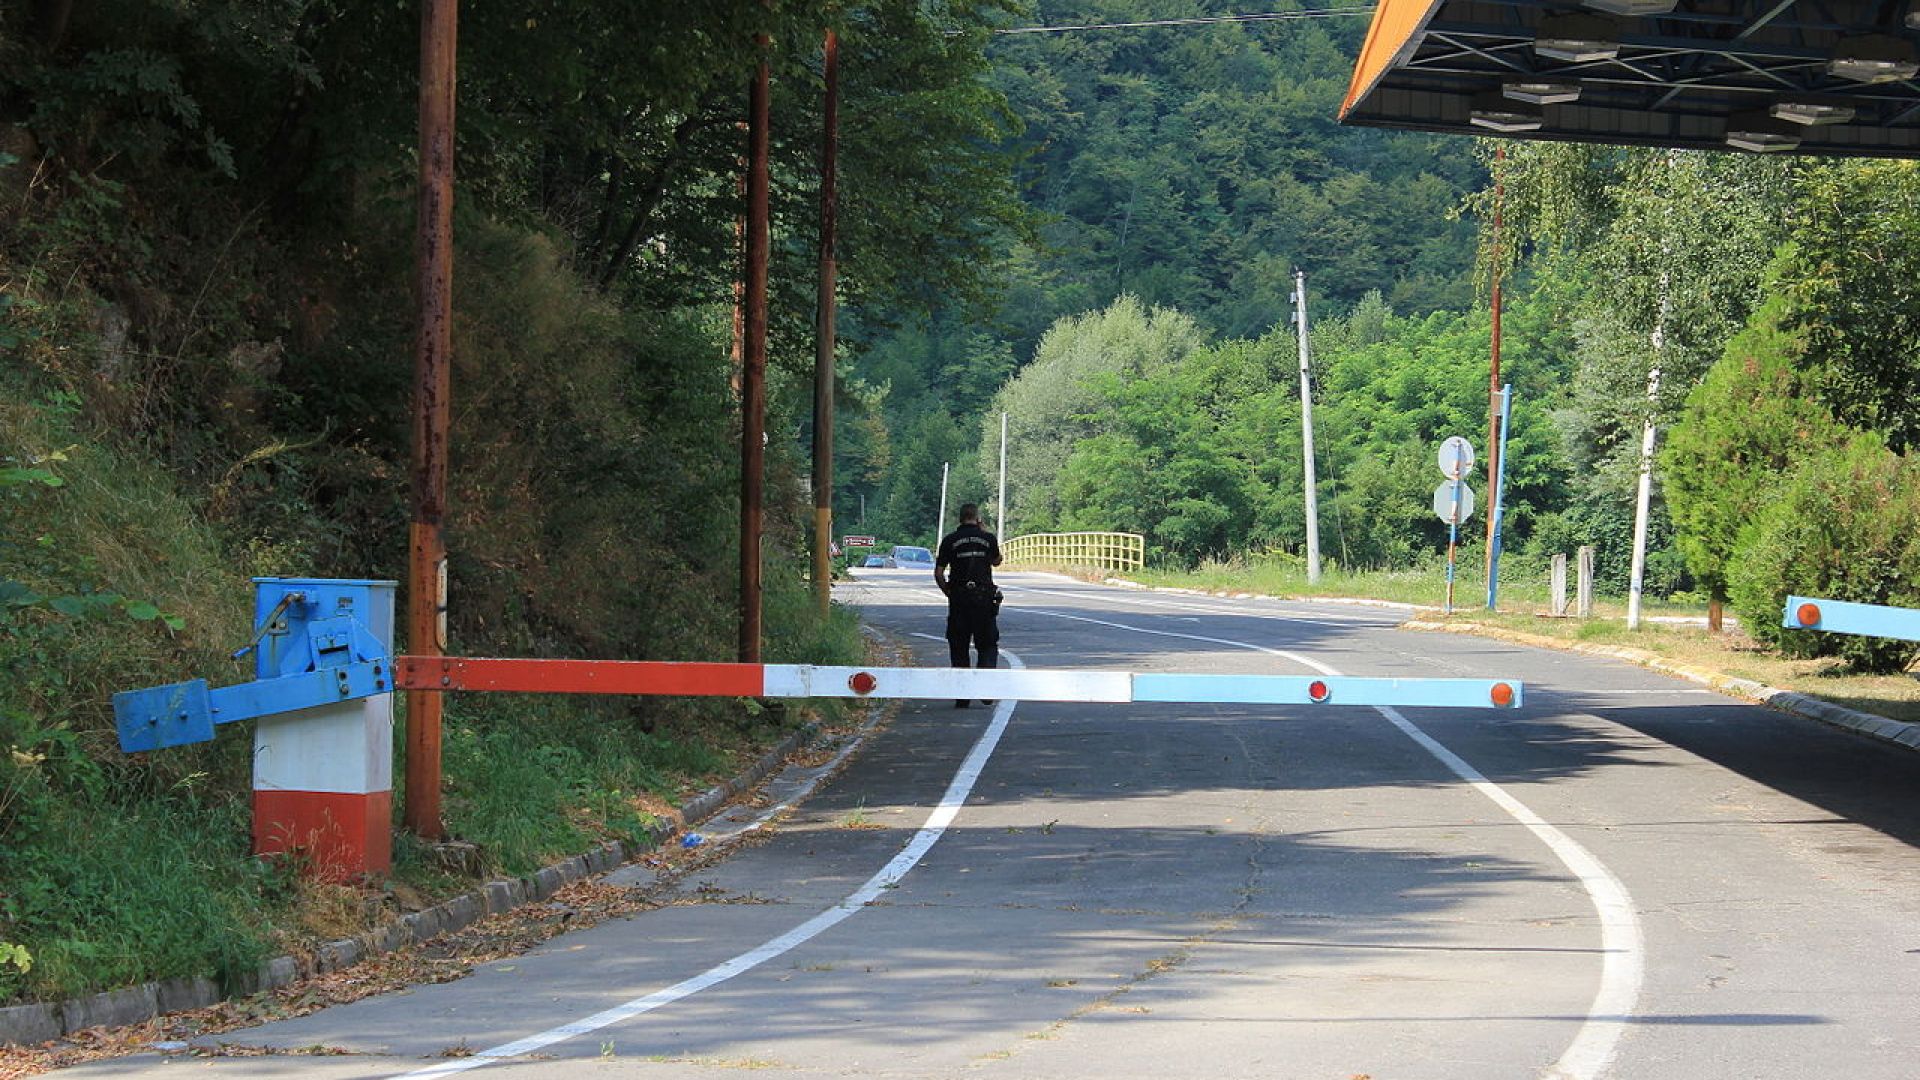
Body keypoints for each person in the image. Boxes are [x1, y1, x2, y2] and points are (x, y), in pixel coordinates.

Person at [934, 503, 1002, 708]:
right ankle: (985, 688)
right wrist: (985, 531)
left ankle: (962, 696)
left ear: (960, 518)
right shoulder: (987, 538)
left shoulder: (949, 540)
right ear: (977, 517)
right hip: (983, 600)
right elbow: (997, 561)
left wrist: (949, 592)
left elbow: (938, 573)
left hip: (959, 599)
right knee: (987, 645)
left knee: (959, 646)